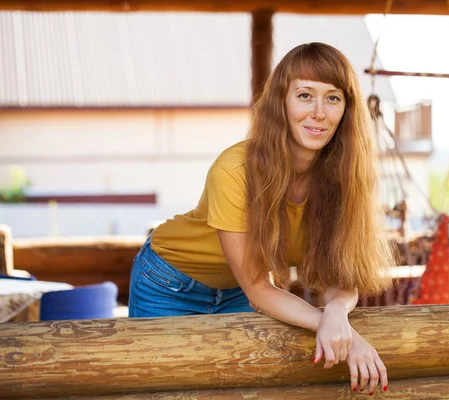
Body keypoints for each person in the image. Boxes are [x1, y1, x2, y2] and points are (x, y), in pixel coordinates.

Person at [129, 42, 395, 395]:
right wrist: (337, 329)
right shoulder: (234, 169)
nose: (318, 112)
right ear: (281, 102)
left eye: (333, 98)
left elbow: (342, 278)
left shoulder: (343, 179)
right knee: (163, 391)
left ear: (346, 110)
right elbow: (258, 288)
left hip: (238, 290)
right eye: (305, 95)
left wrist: (338, 314)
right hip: (169, 282)